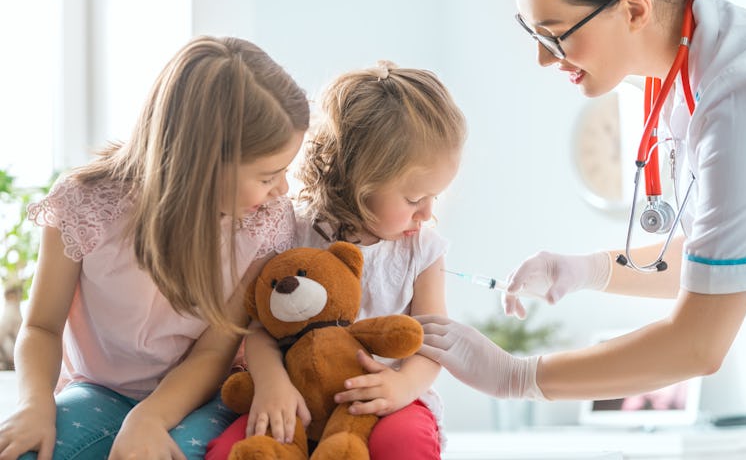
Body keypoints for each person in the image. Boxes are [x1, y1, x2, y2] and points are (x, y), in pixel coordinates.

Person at [416, 0, 746, 458]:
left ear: (634, 8)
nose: (543, 58)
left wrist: (518, 377)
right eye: (532, 34)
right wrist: (587, 270)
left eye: (555, 34)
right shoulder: (685, 73)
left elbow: (698, 344)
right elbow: (722, 255)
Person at [0, 36, 310, 460]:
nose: (283, 189)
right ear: (201, 165)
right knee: (25, 450)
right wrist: (34, 405)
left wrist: (148, 419)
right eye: (269, 174)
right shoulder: (84, 203)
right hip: (98, 390)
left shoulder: (262, 224)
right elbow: (41, 327)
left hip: (201, 394)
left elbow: (214, 351)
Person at [205, 61, 467, 459]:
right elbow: (259, 329)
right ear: (359, 182)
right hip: (295, 392)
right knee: (235, 447)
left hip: (384, 399)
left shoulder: (423, 252)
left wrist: (402, 387)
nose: (427, 212)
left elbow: (432, 345)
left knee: (406, 444)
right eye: (414, 199)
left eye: (435, 197)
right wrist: (273, 383)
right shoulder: (295, 230)